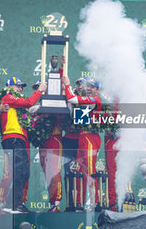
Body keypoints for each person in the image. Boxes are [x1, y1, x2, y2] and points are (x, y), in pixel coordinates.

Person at [0, 77, 47, 214]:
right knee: (17, 171)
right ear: (9, 87)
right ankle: (15, 204)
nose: (21, 89)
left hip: (20, 138)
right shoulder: (8, 97)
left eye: (22, 87)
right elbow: (29, 102)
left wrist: (37, 118)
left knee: (24, 172)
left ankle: (14, 203)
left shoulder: (17, 107)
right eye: (18, 86)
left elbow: (26, 118)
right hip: (12, 138)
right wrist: (40, 90)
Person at [62, 76, 102, 209]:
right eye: (88, 86)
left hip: (91, 138)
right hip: (82, 137)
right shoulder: (89, 100)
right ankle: (79, 203)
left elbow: (73, 99)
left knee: (90, 171)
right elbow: (76, 114)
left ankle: (94, 203)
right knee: (80, 172)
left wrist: (67, 84)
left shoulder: (94, 100)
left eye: (92, 87)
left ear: (97, 89)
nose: (89, 89)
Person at [30, 81, 63, 212]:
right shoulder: (35, 105)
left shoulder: (55, 101)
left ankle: (57, 202)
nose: (41, 91)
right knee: (47, 172)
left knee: (54, 171)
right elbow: (30, 112)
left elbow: (59, 112)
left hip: (54, 139)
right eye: (38, 89)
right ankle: (52, 203)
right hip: (43, 142)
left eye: (42, 89)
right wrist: (39, 114)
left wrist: (43, 112)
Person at [62, 77, 86, 210]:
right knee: (68, 172)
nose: (80, 87)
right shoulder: (69, 97)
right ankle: (69, 203)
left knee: (82, 172)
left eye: (82, 84)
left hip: (82, 141)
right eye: (78, 84)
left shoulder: (88, 100)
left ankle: (80, 203)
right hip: (69, 140)